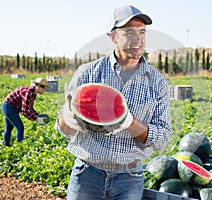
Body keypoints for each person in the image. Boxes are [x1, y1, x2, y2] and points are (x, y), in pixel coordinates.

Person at [55, 4, 172, 200]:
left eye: (142, 32)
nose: (138, 40)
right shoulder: (88, 72)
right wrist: (68, 117)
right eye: (129, 33)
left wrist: (130, 124)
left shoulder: (158, 82)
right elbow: (62, 130)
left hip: (129, 178)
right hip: (87, 174)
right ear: (113, 37)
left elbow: (163, 139)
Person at [1, 78, 50, 146]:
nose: (45, 91)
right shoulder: (28, 93)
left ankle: (6, 145)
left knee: (9, 128)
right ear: (38, 86)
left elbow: (29, 107)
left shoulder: (33, 93)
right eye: (44, 89)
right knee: (20, 127)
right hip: (8, 107)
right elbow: (25, 110)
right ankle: (20, 146)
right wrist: (36, 118)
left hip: (11, 107)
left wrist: (37, 115)